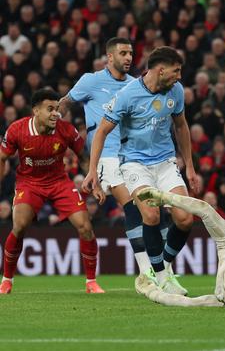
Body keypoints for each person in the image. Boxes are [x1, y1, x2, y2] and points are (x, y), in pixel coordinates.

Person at [83, 46, 201, 295]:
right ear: (160, 70)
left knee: (185, 218)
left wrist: (189, 165)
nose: (179, 76)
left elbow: (181, 126)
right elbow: (101, 132)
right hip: (135, 163)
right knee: (151, 215)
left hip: (166, 162)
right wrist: (92, 171)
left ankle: (165, 267)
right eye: (176, 71)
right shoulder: (127, 95)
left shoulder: (175, 91)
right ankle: (159, 277)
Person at [59, 37, 155, 293]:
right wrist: (51, 117)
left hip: (131, 154)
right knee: (133, 206)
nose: (128, 58)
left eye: (131, 53)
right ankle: (147, 271)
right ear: (109, 57)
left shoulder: (136, 85)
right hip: (106, 155)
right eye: (123, 53)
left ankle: (153, 269)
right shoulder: (91, 81)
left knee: (149, 210)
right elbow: (67, 101)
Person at [0, 89, 105, 294]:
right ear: (36, 111)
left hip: (59, 182)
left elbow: (85, 156)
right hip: (29, 183)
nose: (55, 114)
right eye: (50, 109)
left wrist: (95, 181)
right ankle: (7, 280)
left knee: (85, 226)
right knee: (19, 226)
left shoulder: (65, 130)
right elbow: (3, 156)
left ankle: (91, 282)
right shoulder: (17, 130)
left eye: (57, 109)